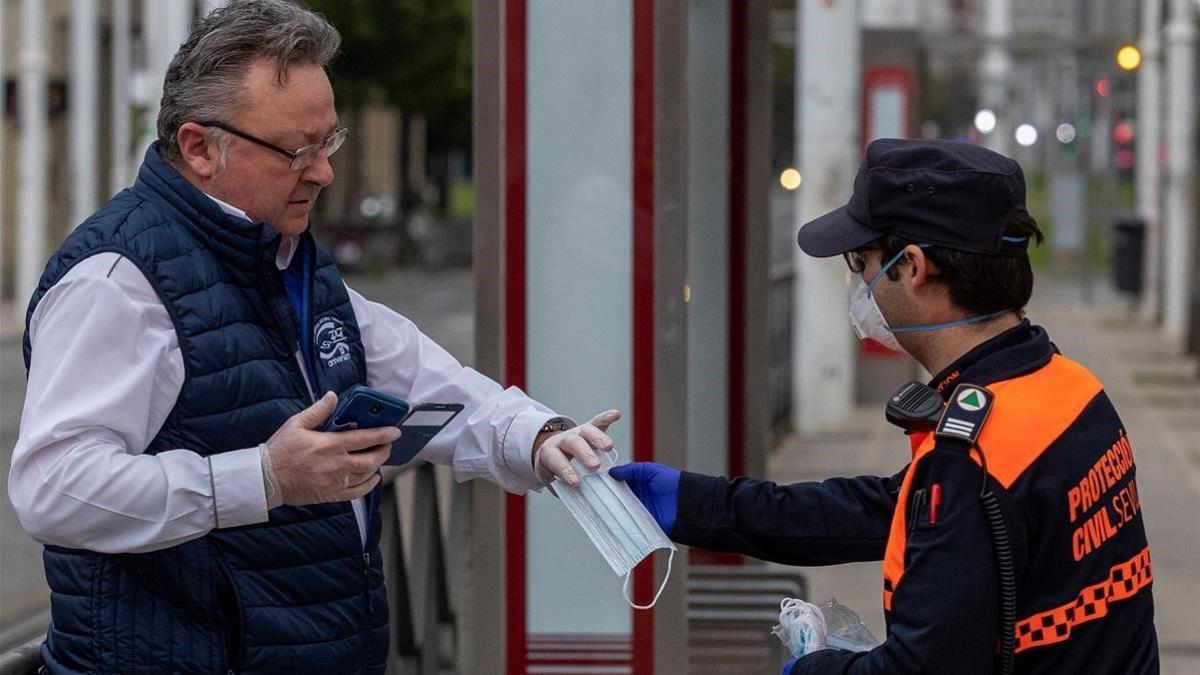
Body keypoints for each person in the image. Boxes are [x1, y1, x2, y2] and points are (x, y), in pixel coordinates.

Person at [9, 2, 615, 673]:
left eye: (329, 143)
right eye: (298, 150)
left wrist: (537, 435)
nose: (323, 172)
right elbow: (54, 488)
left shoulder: (283, 254)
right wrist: (263, 478)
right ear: (199, 147)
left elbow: (424, 381)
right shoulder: (116, 280)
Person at [613, 138, 1158, 673]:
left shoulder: (970, 461)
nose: (861, 283)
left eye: (862, 260)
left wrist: (815, 666)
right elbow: (892, 510)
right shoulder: (1064, 386)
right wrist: (694, 503)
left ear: (913, 267)